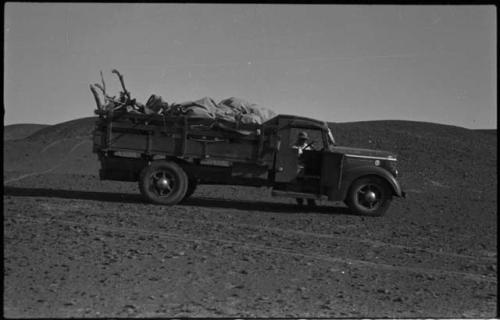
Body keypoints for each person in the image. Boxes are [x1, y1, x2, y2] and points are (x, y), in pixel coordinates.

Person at [292, 131, 316, 207]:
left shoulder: (308, 147)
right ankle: (300, 201)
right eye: (302, 139)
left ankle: (310, 201)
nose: (303, 140)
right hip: (297, 168)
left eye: (304, 139)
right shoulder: (294, 147)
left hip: (307, 168)